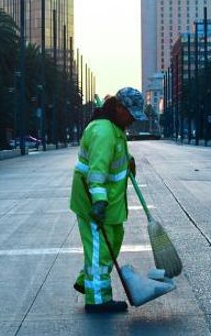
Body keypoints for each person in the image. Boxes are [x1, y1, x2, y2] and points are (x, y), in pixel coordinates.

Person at [70, 87, 146, 313]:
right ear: (118, 108)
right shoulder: (103, 131)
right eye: (130, 113)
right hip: (95, 202)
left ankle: (86, 281)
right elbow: (96, 172)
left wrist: (128, 160)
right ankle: (97, 300)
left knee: (112, 242)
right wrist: (99, 202)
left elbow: (113, 158)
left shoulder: (115, 129)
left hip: (111, 204)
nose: (132, 119)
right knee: (100, 250)